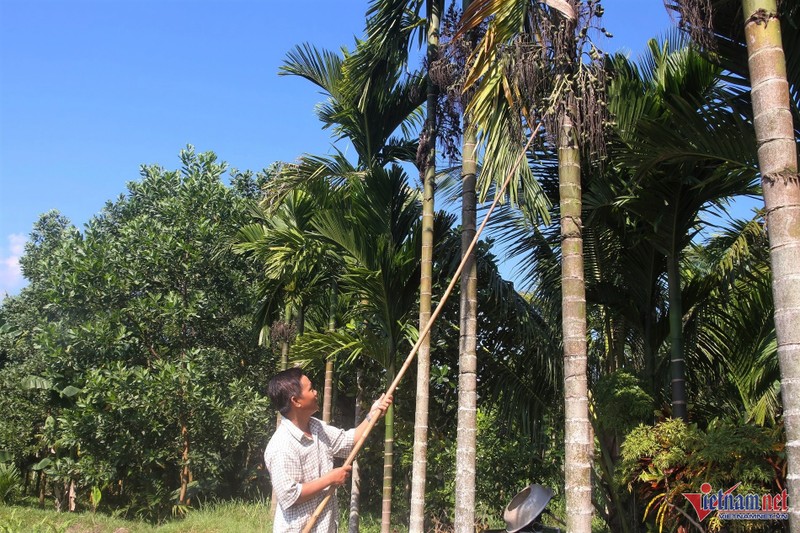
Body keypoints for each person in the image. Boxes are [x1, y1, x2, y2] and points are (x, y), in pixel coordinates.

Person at [264, 367, 392, 533]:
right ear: (296, 401)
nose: (316, 392)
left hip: (325, 527)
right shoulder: (281, 445)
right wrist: (330, 479)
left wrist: (373, 415)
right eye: (310, 389)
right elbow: (289, 495)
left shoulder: (316, 427)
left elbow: (348, 441)